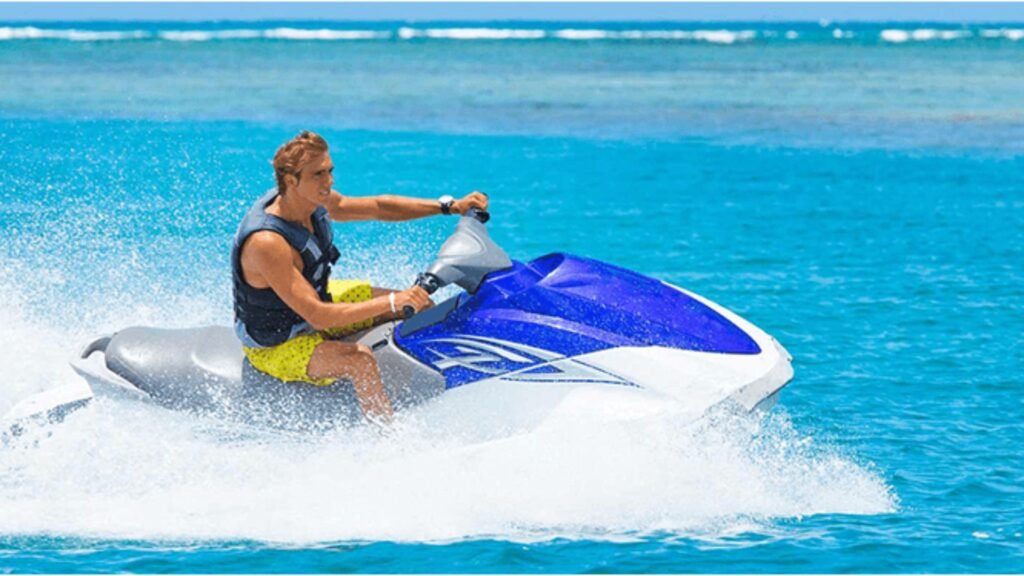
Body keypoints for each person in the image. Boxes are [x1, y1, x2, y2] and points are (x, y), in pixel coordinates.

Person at [231, 131, 488, 422]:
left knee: (421, 307)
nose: (329, 182)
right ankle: (384, 441)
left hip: (317, 299)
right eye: (319, 174)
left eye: (330, 171)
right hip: (280, 342)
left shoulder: (309, 199)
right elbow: (319, 317)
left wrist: (449, 206)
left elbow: (377, 207)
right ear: (291, 180)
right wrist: (392, 302)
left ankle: (431, 389)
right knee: (360, 361)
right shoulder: (267, 243)